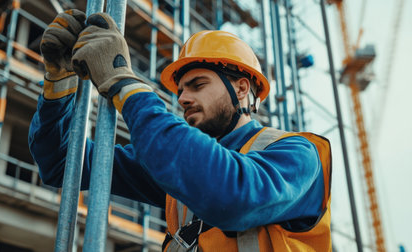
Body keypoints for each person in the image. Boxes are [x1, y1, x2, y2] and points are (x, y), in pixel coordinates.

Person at [29, 10, 332, 251]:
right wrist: (60, 83)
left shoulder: (296, 154)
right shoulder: (181, 165)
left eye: (198, 85)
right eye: (181, 90)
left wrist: (126, 86)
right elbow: (62, 163)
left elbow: (233, 195)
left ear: (241, 89)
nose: (183, 98)